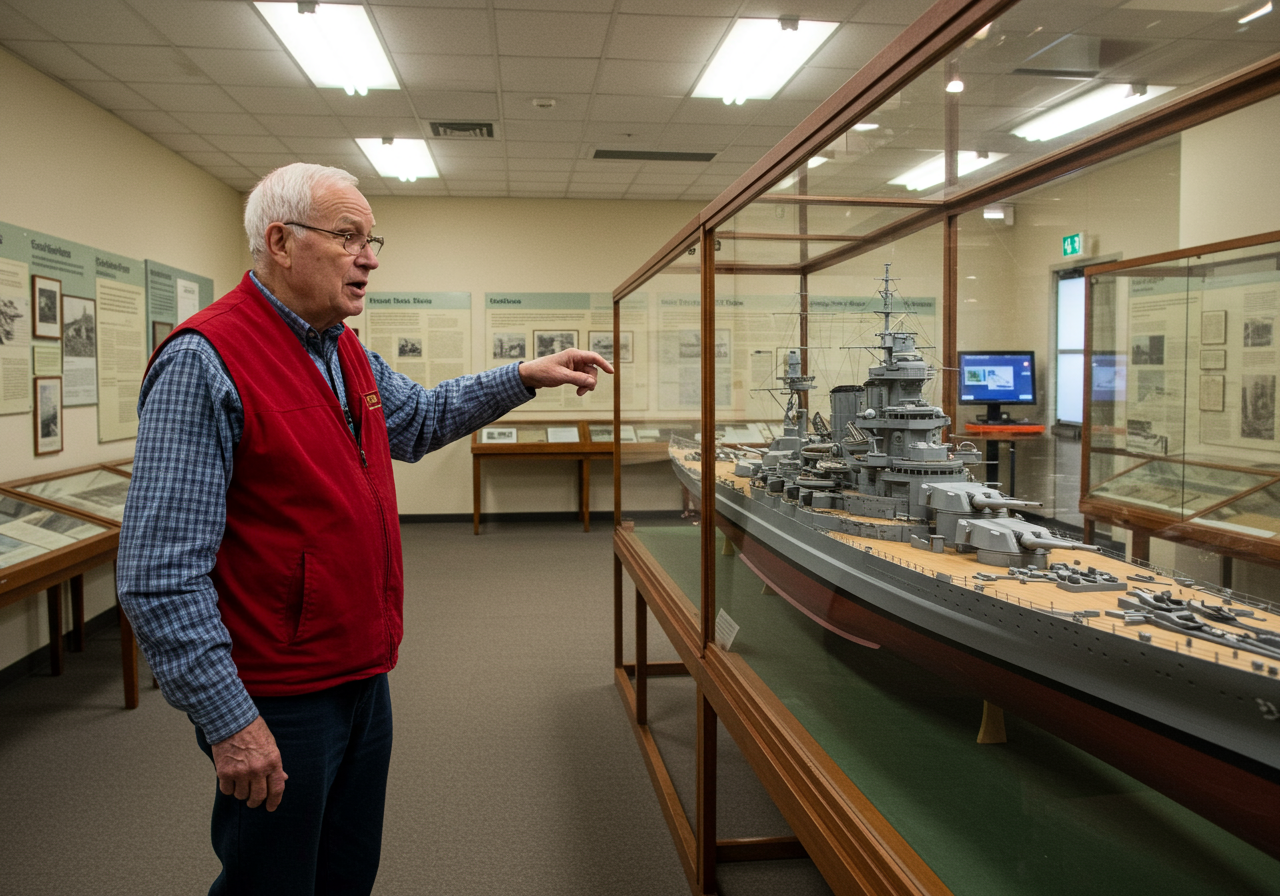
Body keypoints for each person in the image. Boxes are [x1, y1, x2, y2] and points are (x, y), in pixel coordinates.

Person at [116, 162, 613, 896]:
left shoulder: (339, 347)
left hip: (359, 669)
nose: (369, 258)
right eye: (349, 237)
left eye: (371, 240)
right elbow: (159, 574)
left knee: (346, 872)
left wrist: (522, 377)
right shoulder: (205, 361)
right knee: (272, 882)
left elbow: (419, 418)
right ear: (280, 242)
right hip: (276, 691)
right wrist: (229, 722)